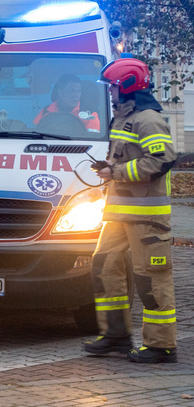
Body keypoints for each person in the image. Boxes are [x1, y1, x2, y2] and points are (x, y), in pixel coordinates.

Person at [83, 58, 177, 363]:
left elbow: (161, 160)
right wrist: (111, 168)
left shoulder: (147, 119)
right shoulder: (124, 118)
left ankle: (161, 346)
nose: (109, 93)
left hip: (147, 216)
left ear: (125, 87)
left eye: (111, 87)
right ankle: (116, 335)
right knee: (105, 267)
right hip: (119, 213)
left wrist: (118, 172)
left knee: (151, 277)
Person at [34, 73, 100, 131]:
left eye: (79, 91)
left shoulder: (89, 114)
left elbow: (92, 141)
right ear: (60, 92)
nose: (76, 95)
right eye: (71, 91)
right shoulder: (45, 111)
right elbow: (35, 135)